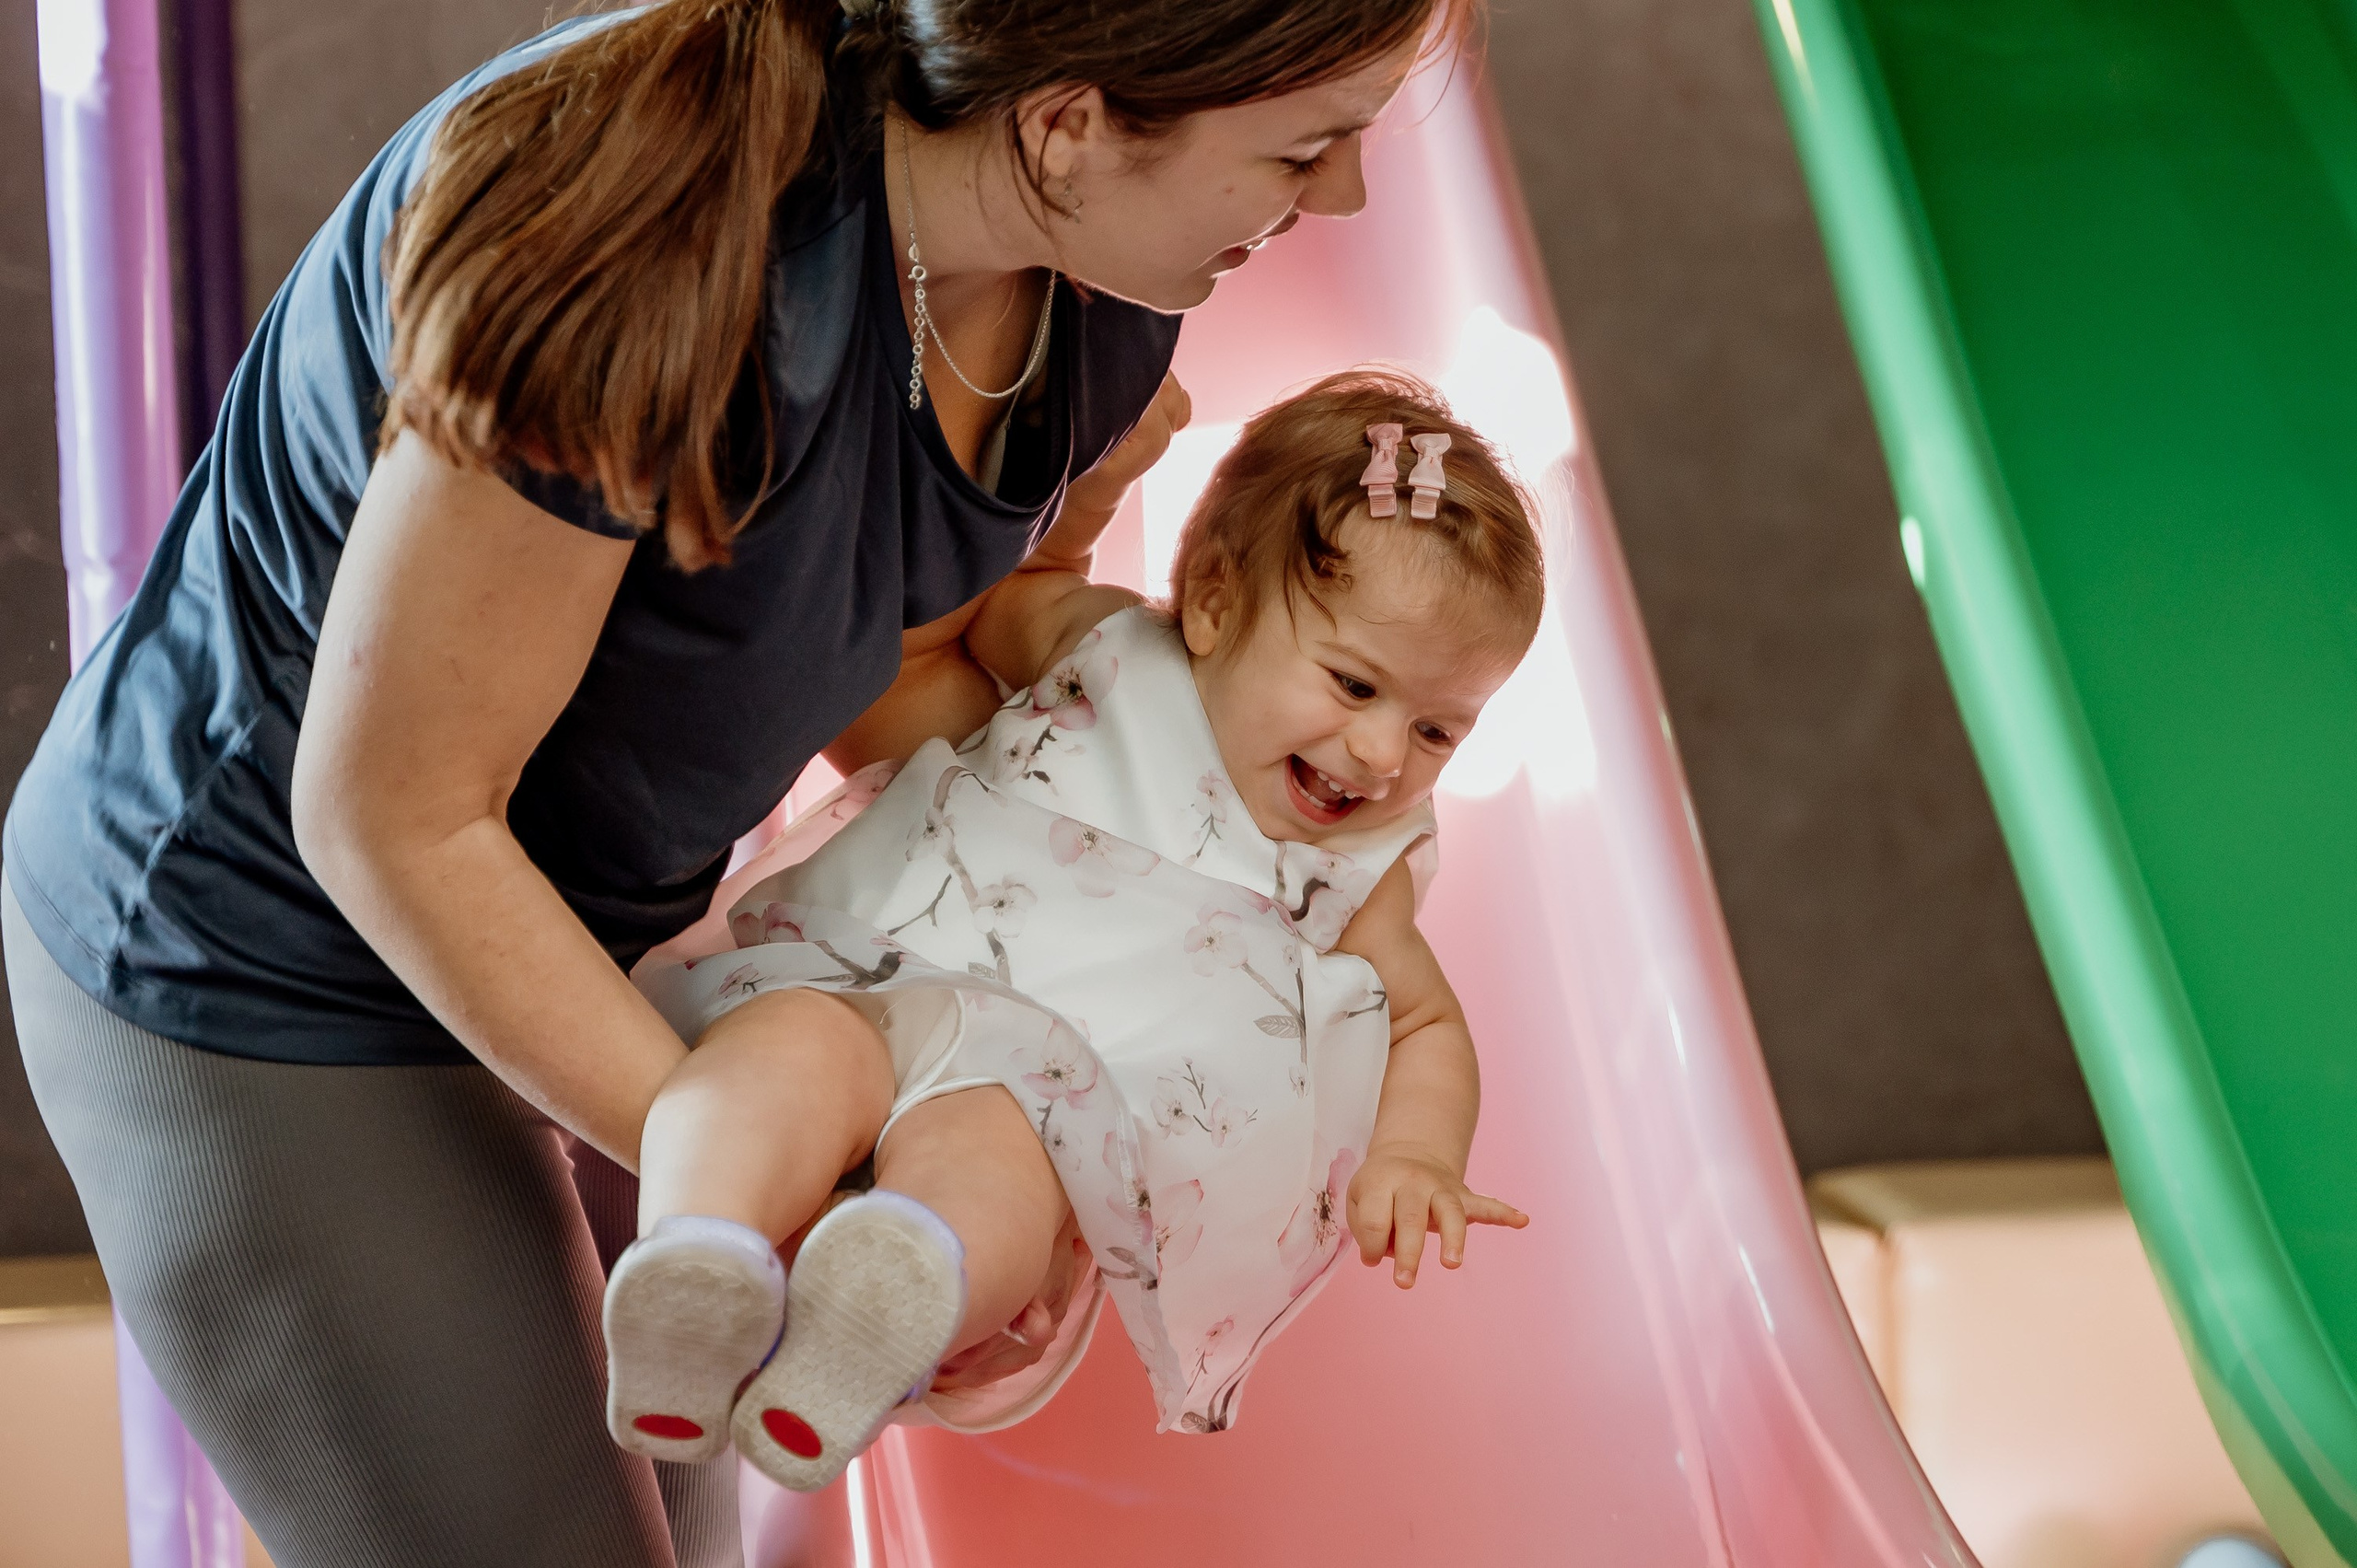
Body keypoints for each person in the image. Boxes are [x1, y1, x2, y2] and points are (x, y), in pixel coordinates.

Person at [0, 3, 1469, 1564]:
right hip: (269, 962)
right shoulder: (622, 256)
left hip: (606, 920)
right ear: (1070, 120)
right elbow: (395, 817)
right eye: (1306, 148)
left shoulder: (1099, 300)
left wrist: (1057, 1069)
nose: (1343, 200)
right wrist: (772, 1183)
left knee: (724, 1490)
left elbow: (897, 662)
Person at [616, 370, 1537, 1491]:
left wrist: (1416, 1152)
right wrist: (1101, 473)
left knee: (997, 1173)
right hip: (872, 963)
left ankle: (889, 1298)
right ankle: (691, 1262)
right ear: (1210, 602)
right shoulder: (1107, 644)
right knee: (785, 1052)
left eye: (1438, 729)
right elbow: (985, 595)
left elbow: (1425, 1017)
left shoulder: (1352, 864)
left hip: (1063, 1096)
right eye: (1353, 685)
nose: (1384, 755)